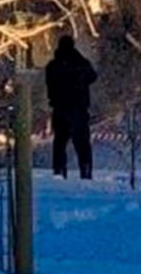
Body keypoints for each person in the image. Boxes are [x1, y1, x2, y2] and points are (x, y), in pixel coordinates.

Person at [45, 35, 97, 180]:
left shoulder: (53, 66)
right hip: (78, 109)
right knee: (82, 144)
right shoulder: (81, 63)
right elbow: (93, 76)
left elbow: (49, 82)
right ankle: (85, 171)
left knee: (60, 143)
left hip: (60, 109)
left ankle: (59, 171)